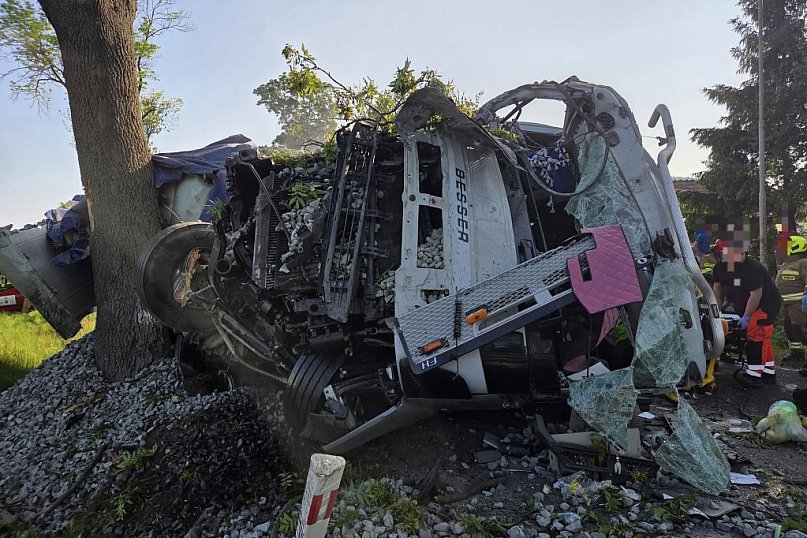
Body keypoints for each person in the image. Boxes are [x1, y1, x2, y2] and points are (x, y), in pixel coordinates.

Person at [712, 242, 782, 388]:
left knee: (756, 335)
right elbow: (717, 290)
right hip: (745, 304)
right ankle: (768, 372)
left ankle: (754, 376)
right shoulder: (720, 267)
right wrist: (716, 312)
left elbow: (756, 295)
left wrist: (746, 317)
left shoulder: (752, 268)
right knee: (763, 337)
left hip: (765, 304)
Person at [774, 235, 807, 362]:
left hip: (799, 304)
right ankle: (796, 353)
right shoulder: (788, 263)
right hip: (787, 304)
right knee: (790, 328)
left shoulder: (803, 263)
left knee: (801, 330)